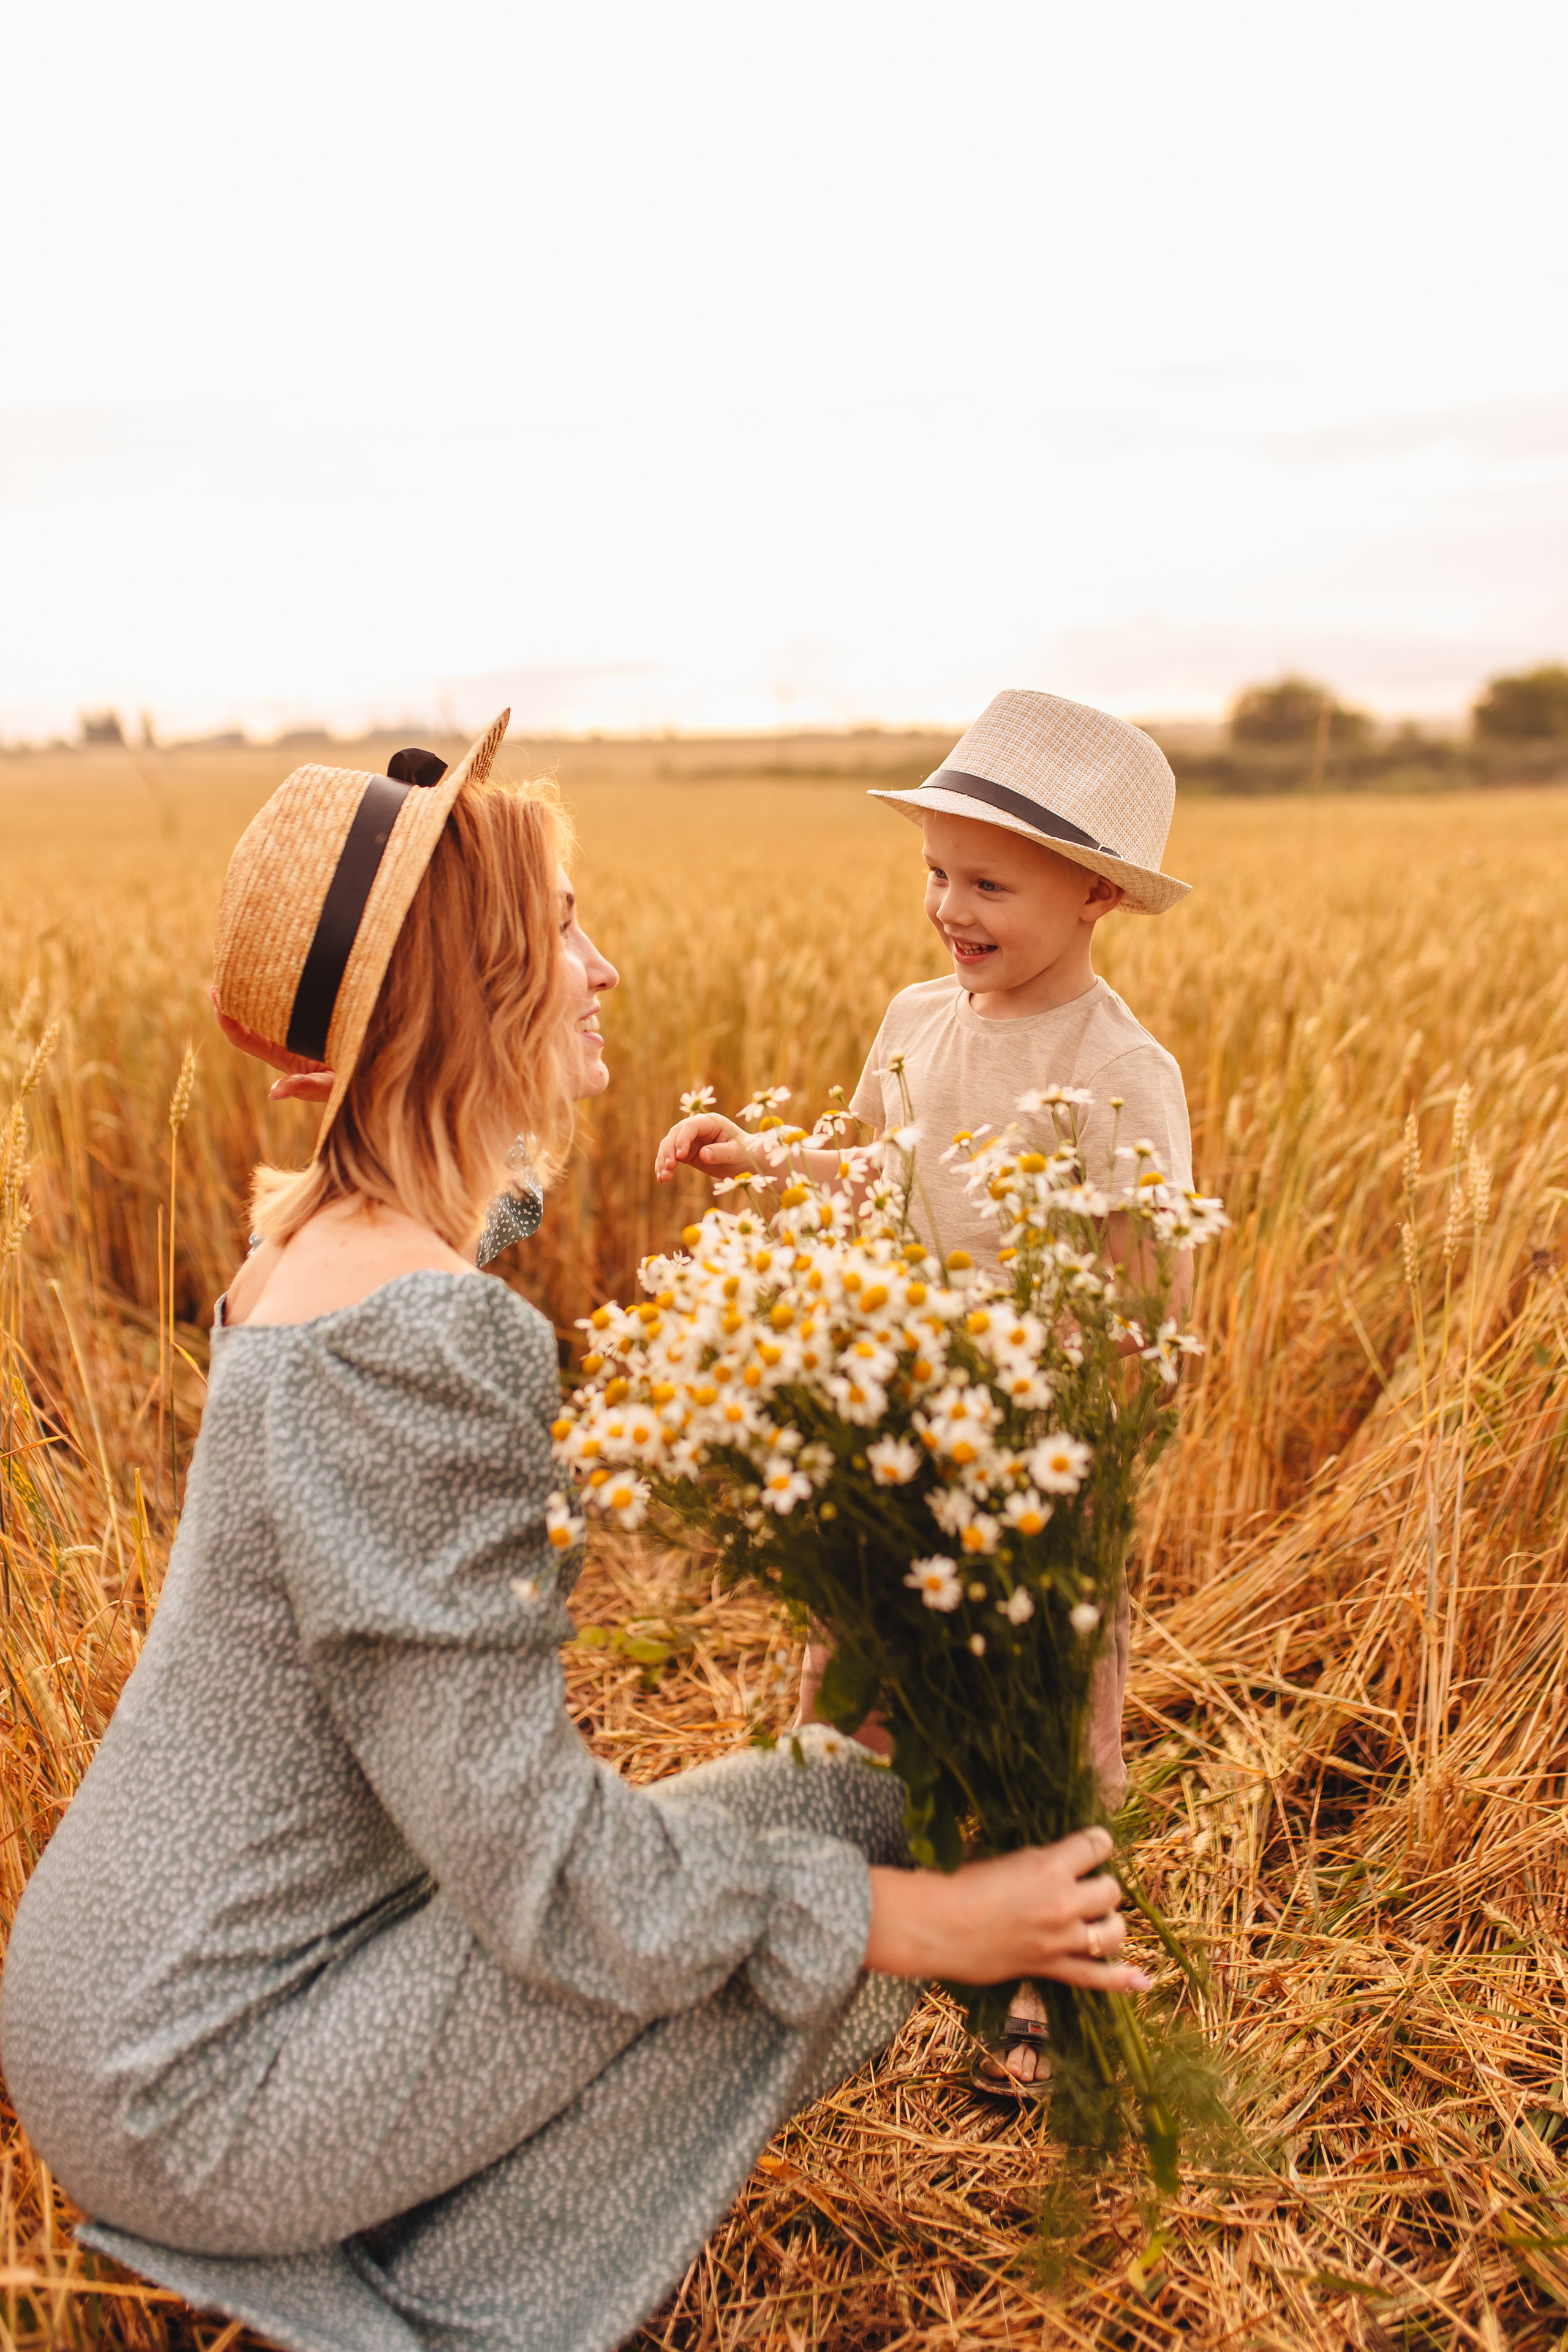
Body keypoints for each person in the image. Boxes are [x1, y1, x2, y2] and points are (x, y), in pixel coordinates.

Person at [1, 712, 1147, 2352]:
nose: (602, 970)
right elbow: (543, 1870)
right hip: (207, 2090)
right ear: (463, 992)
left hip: (141, 2005)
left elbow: (443, 1188)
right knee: (806, 1907)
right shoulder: (419, 1339)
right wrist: (924, 1926)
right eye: (561, 934)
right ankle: (473, 2306)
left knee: (825, 1802)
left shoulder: (324, 1233)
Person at [655, 688, 1194, 2090]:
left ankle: (1048, 1973)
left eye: (989, 883)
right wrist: (760, 1160)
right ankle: (829, 1916)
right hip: (895, 1416)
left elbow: (1140, 1290)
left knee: (1045, 1704)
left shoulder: (1119, 1073)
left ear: (1094, 896)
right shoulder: (914, 1017)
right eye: (935, 876)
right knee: (855, 1667)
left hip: (1034, 1440)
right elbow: (874, 1174)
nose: (950, 909)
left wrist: (1076, 1449)